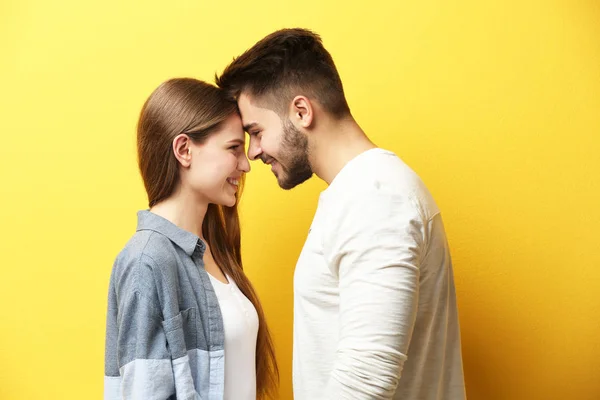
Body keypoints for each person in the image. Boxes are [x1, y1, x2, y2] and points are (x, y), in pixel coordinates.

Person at [216, 29, 466, 399]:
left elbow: (366, 380)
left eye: (257, 131)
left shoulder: (375, 199)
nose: (253, 153)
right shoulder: (362, 194)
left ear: (301, 112)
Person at [104, 78, 278, 400]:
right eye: (233, 148)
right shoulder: (146, 261)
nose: (246, 165)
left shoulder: (212, 251)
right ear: (184, 150)